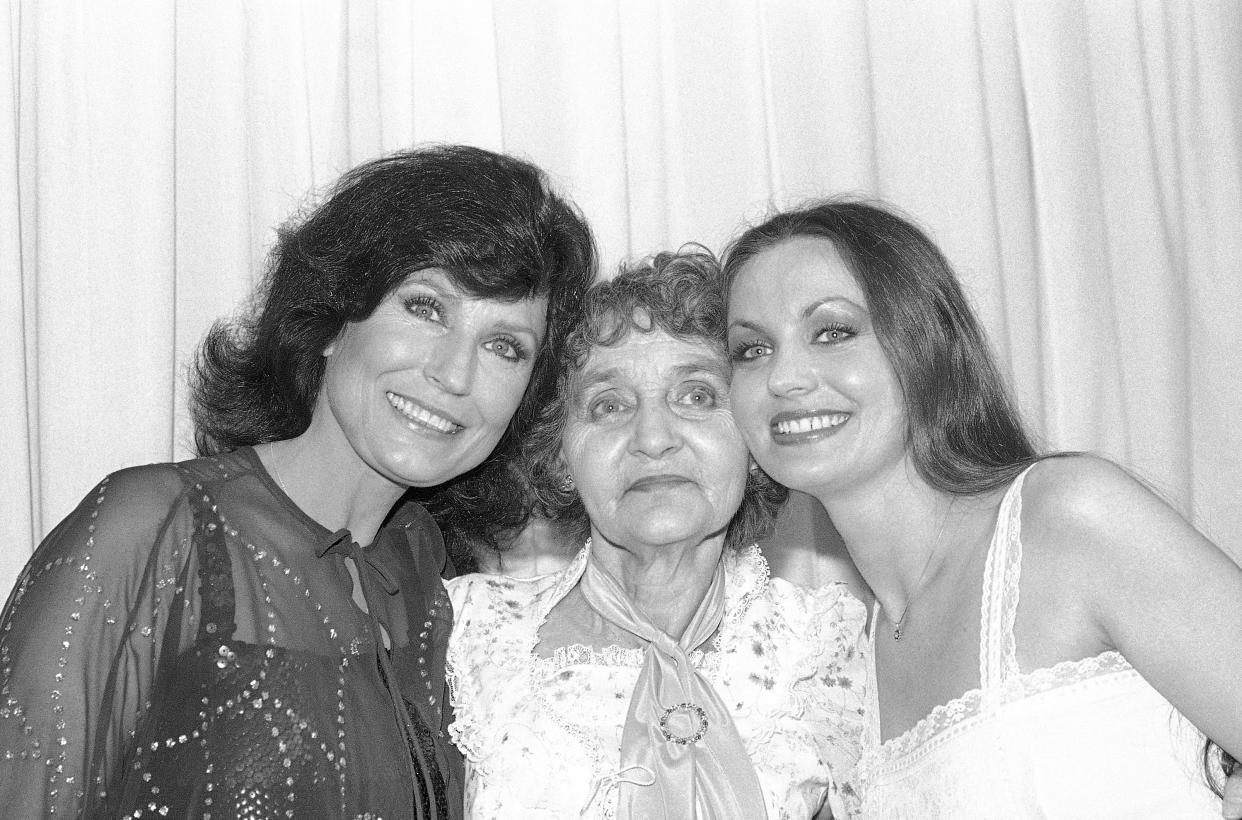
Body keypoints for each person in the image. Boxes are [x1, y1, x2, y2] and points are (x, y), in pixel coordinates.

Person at [0, 144, 595, 820]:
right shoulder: (155, 529)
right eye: (426, 307)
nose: (454, 375)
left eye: (504, 346)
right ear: (334, 317)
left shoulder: (428, 577)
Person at [721, 198, 1242, 817]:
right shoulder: (849, 664)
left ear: (926, 346)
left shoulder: (1068, 517)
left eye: (832, 332)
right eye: (751, 350)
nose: (785, 377)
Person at [445, 250, 867, 819]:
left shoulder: (829, 649)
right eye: (608, 404)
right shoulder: (465, 630)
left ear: (752, 440)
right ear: (560, 452)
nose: (652, 437)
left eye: (695, 395)